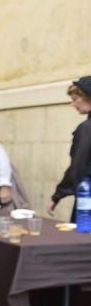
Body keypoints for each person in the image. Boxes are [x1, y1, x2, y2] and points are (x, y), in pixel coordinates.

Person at [48, 76, 91, 220]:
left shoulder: (87, 129)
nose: (72, 104)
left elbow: (77, 167)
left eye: (75, 99)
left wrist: (57, 196)